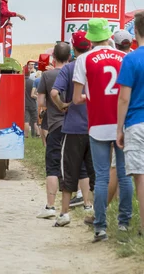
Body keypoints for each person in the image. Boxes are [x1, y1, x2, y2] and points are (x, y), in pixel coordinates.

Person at [73, 18, 133, 243]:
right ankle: (124, 223)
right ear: (108, 36)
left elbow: (77, 98)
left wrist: (91, 96)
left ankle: (100, 226)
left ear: (90, 38)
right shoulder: (124, 57)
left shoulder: (84, 59)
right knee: (124, 176)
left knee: (100, 176)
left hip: (97, 123)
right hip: (122, 123)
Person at [50, 31, 95, 227]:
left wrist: (61, 105)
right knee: (95, 172)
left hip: (73, 128)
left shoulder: (69, 68)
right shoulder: (96, 65)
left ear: (73, 50)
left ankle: (64, 213)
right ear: (90, 46)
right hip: (96, 127)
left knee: (69, 171)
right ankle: (92, 208)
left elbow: (53, 93)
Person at [117, 11, 144, 239]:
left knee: (141, 178)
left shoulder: (131, 59)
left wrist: (119, 129)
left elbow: (124, 97)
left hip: (136, 123)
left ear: (135, 31)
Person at [36, 42, 71, 219]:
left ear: (54, 57)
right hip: (74, 125)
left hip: (55, 125)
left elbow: (41, 102)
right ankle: (84, 201)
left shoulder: (47, 76)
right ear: (70, 57)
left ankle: (50, 206)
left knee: (52, 166)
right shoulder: (74, 73)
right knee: (75, 166)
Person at [24, 67, 38, 138]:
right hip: (32, 103)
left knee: (26, 120)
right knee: (35, 120)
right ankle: (37, 134)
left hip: (24, 104)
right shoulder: (32, 82)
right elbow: (35, 93)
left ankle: (26, 135)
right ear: (29, 74)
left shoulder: (20, 82)